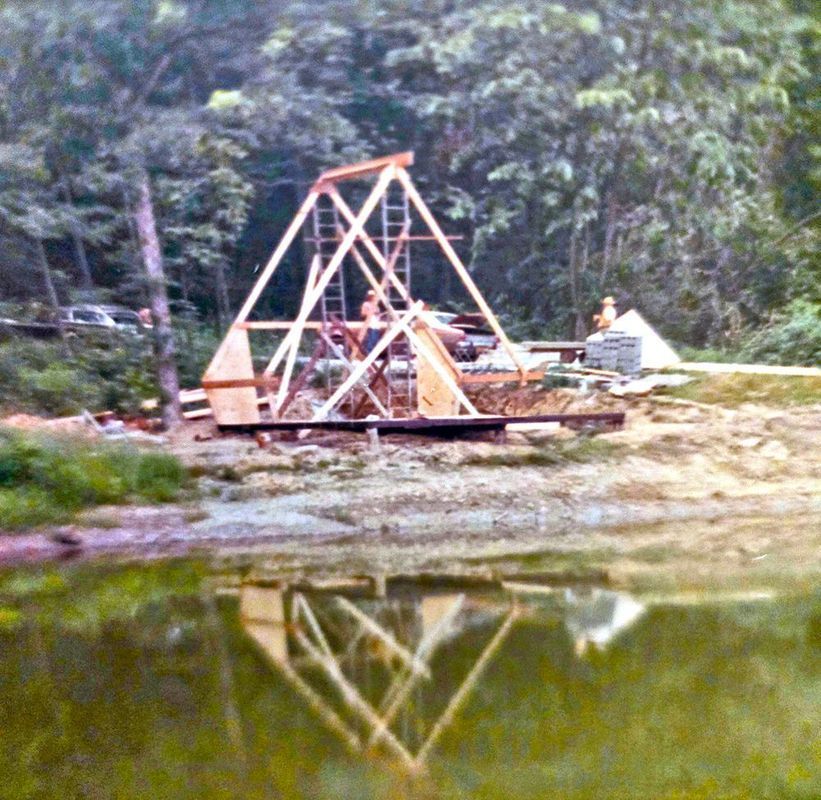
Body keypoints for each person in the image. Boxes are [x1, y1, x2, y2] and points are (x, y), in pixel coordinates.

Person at [360, 289, 381, 354]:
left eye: (373, 296)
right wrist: (370, 313)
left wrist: (377, 314)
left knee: (375, 339)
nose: (372, 297)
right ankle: (368, 352)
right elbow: (362, 314)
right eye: (371, 296)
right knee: (372, 339)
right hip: (370, 324)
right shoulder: (365, 304)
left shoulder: (376, 305)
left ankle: (372, 353)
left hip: (376, 324)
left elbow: (378, 313)